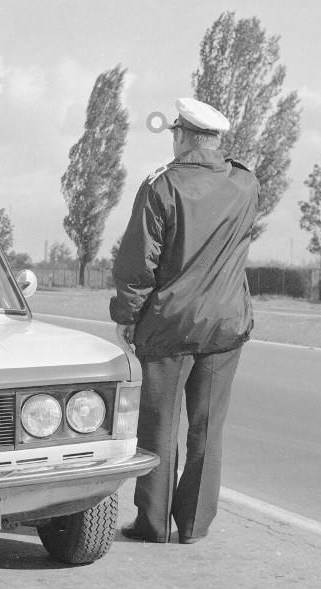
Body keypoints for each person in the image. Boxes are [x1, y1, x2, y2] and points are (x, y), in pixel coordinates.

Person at [110, 97, 259, 544]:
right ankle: (194, 526)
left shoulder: (161, 184)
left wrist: (127, 316)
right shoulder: (246, 183)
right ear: (215, 140)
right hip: (226, 325)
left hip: (169, 325)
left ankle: (153, 523)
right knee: (208, 427)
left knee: (158, 424)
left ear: (181, 135)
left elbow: (139, 262)